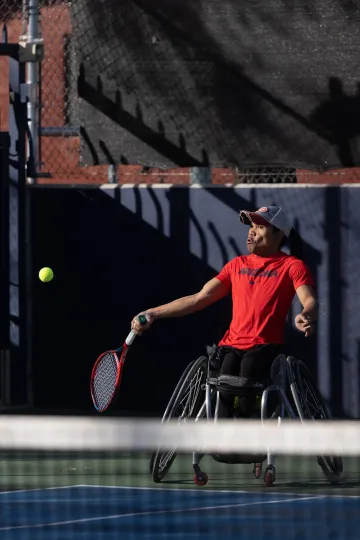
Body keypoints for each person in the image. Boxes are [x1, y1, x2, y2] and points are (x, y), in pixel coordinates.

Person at [131, 205, 318, 419]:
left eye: (260, 227)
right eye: (251, 226)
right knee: (226, 370)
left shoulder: (292, 266)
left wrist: (306, 315)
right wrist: (153, 313)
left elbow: (309, 300)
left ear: (278, 236)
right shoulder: (236, 265)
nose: (252, 231)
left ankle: (249, 437)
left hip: (266, 347)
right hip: (231, 345)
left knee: (249, 368)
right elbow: (198, 299)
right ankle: (223, 442)